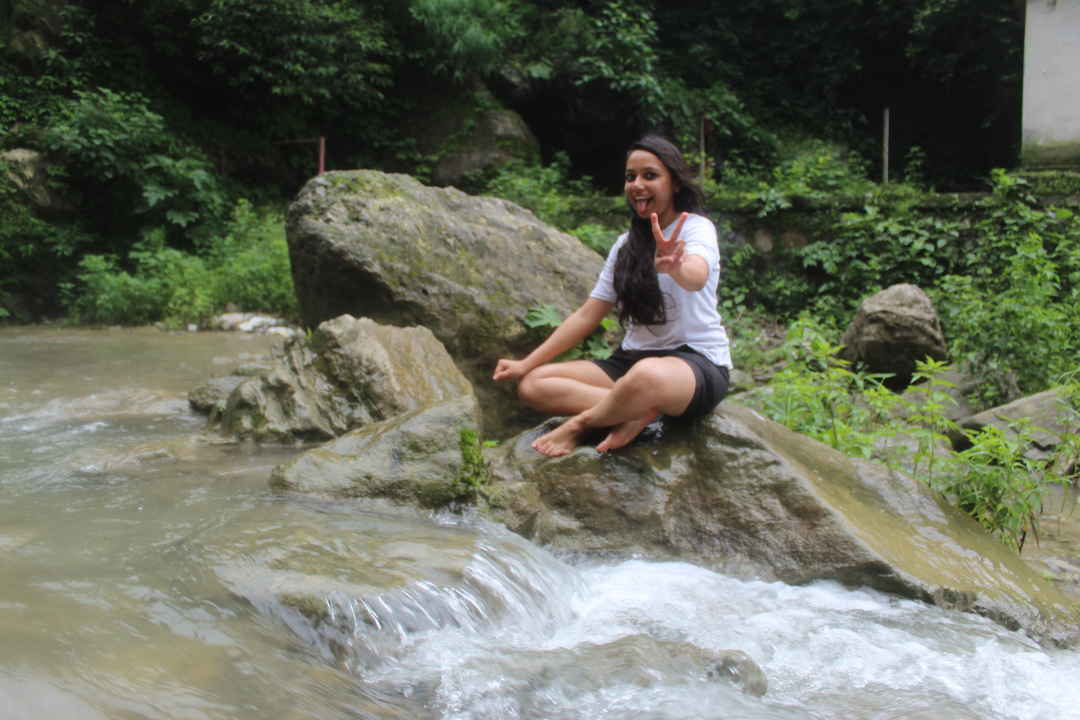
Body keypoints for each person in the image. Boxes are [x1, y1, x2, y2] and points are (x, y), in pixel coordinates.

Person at [492, 135, 732, 457]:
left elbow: (696, 276)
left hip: (695, 363)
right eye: (631, 177)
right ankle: (634, 411)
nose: (637, 185)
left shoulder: (696, 228)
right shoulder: (625, 246)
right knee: (533, 385)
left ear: (675, 183)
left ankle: (582, 424)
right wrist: (525, 364)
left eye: (650, 175)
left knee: (647, 375)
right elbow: (587, 315)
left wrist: (676, 266)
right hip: (630, 363)